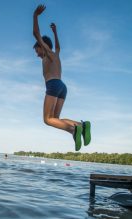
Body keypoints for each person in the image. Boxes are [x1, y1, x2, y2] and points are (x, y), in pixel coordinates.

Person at [32, 4, 91, 151]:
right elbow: (58, 47)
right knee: (55, 119)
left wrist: (35, 15)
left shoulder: (48, 53)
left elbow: (35, 33)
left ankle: (74, 130)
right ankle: (80, 126)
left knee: (47, 119)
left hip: (53, 85)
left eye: (37, 49)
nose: (37, 53)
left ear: (42, 46)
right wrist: (55, 32)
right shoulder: (55, 55)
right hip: (62, 87)